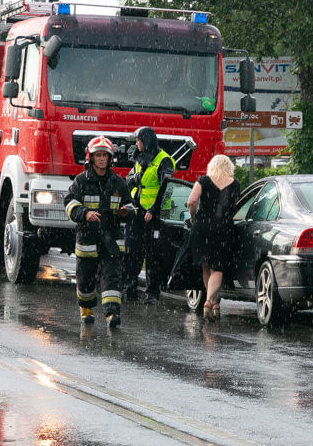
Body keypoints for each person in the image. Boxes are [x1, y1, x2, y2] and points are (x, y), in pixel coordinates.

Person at [64, 136, 136, 328]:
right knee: (85, 277)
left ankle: (112, 313)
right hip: (87, 237)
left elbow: (130, 206)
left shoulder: (118, 183)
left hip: (111, 238)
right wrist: (85, 213)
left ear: (110, 158)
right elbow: (69, 204)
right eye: (98, 155)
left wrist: (126, 212)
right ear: (91, 157)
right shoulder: (81, 181)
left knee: (112, 276)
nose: (102, 159)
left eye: (105, 155)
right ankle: (86, 309)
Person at [123, 127, 176, 305]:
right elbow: (128, 179)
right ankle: (129, 288)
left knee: (153, 256)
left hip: (155, 217)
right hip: (136, 212)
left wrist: (153, 210)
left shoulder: (164, 160)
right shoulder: (139, 158)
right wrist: (135, 178)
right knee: (132, 252)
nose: (136, 143)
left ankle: (152, 293)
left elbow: (166, 189)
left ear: (146, 141)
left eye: (138, 140)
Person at [186, 154, 241, 320]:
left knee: (205, 265)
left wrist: (192, 215)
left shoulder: (203, 180)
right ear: (229, 167)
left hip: (202, 227)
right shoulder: (235, 184)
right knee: (217, 268)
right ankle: (211, 301)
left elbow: (192, 201)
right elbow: (235, 206)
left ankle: (212, 301)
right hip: (223, 228)